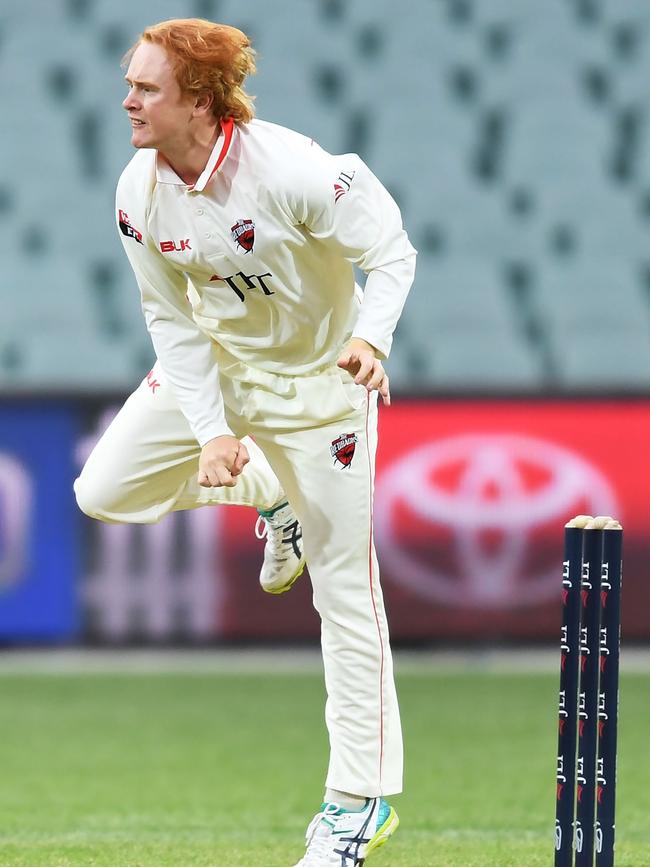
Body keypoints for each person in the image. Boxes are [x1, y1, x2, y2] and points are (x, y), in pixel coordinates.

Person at [74, 18, 416, 867]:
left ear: (198, 100)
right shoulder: (137, 190)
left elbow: (393, 251)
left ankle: (356, 807)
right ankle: (272, 495)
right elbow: (169, 321)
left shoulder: (295, 170)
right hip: (223, 369)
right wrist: (212, 433)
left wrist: (371, 339)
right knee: (103, 490)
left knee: (346, 592)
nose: (129, 100)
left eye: (147, 88)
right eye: (132, 84)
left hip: (321, 391)